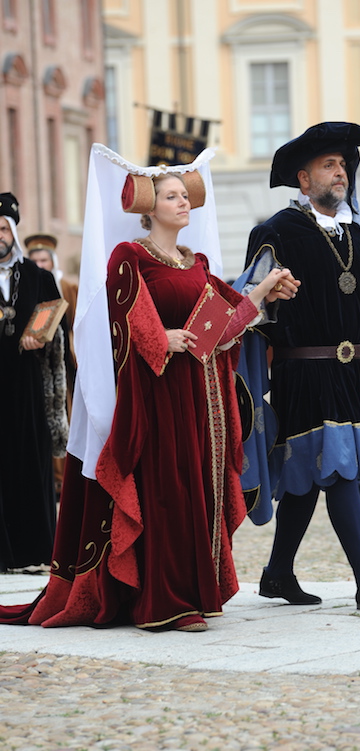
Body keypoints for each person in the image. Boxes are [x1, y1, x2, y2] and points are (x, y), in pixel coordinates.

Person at [0, 147, 297, 631]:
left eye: (185, 195)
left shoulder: (195, 262)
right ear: (148, 206)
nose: (183, 203)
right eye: (172, 196)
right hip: (158, 396)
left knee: (195, 490)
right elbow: (131, 320)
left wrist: (263, 291)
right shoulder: (130, 257)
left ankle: (193, 593)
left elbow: (220, 325)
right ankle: (165, 602)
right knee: (167, 493)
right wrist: (165, 339)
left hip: (199, 397)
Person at [237, 122, 360, 613]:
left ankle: (277, 572)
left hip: (352, 373)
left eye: (344, 165)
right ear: (303, 180)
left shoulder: (359, 232)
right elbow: (248, 302)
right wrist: (273, 295)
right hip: (303, 372)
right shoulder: (277, 232)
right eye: (329, 165)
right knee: (340, 469)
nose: (341, 172)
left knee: (308, 478)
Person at [0, 193, 67, 573]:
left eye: (4, 228)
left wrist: (41, 339)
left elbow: (59, 326)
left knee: (30, 463)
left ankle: (33, 551)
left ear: (14, 232)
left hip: (29, 388)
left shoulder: (39, 278)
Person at [25, 233, 78, 498]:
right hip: (35, 362)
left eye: (44, 259)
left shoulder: (67, 286)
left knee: (63, 413)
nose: (40, 264)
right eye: (35, 260)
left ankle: (65, 476)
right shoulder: (25, 285)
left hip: (64, 363)